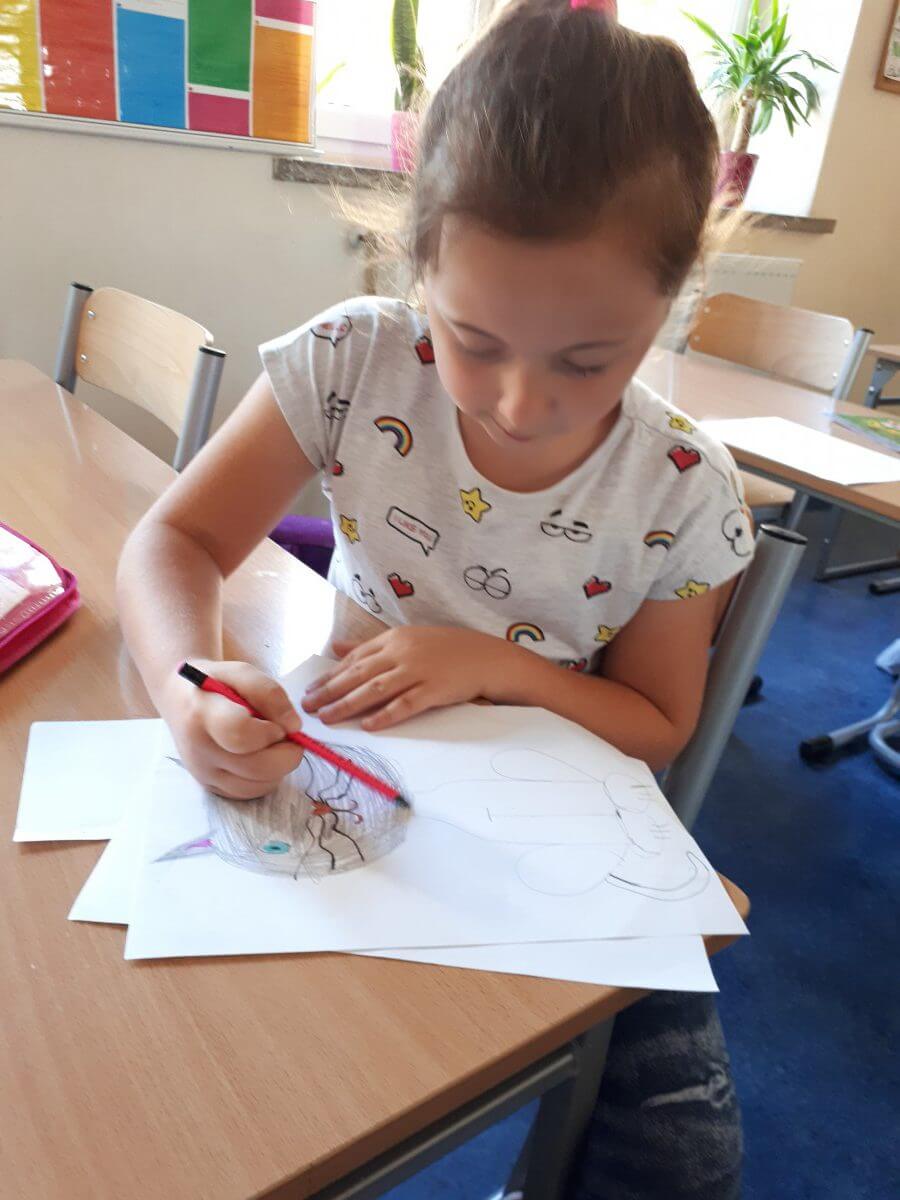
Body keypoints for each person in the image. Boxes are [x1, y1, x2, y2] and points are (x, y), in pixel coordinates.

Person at [117, 1, 747, 1193]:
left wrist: (497, 666)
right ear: (415, 262)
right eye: (475, 340)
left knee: (682, 1159)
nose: (519, 405)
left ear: (671, 304)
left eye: (589, 360)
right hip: (342, 767)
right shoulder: (355, 362)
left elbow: (659, 726)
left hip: (555, 832)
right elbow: (176, 540)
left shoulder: (681, 488)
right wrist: (190, 686)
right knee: (205, 1098)